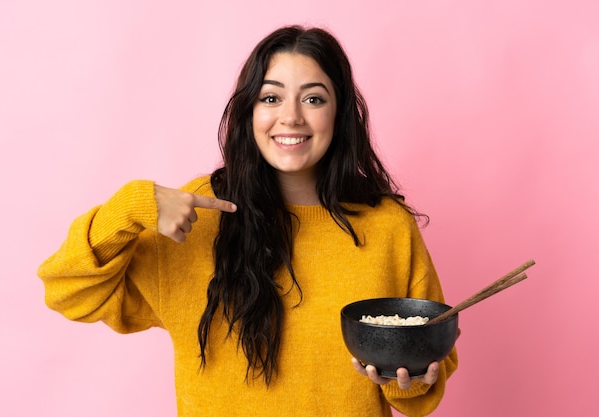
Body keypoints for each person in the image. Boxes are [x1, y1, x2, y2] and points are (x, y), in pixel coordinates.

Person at [38, 25, 458, 417]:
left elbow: (421, 380)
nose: (291, 117)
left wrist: (406, 379)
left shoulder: (387, 227)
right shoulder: (199, 214)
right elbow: (68, 292)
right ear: (248, 110)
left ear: (339, 112)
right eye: (271, 98)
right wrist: (131, 207)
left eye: (314, 98)